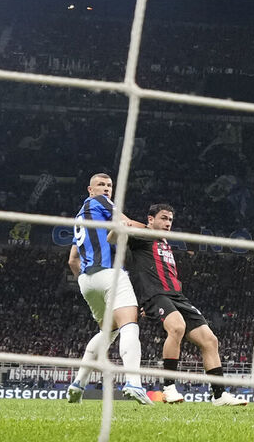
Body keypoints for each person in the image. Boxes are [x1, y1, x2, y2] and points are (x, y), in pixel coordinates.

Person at [127, 203, 248, 406]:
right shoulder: (142, 236)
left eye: (170, 220)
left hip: (177, 296)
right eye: (163, 218)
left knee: (210, 340)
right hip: (156, 295)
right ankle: (168, 388)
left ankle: (219, 395)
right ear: (150, 219)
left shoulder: (163, 243)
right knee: (177, 327)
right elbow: (126, 225)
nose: (168, 223)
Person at [67, 173, 152, 405]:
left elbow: (72, 260)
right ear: (90, 189)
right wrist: (153, 229)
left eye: (109, 185)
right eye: (101, 185)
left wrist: (87, 282)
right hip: (109, 274)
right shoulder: (101, 203)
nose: (106, 188)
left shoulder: (80, 217)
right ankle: (134, 383)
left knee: (108, 332)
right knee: (129, 325)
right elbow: (125, 222)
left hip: (86, 280)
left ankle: (78, 384)